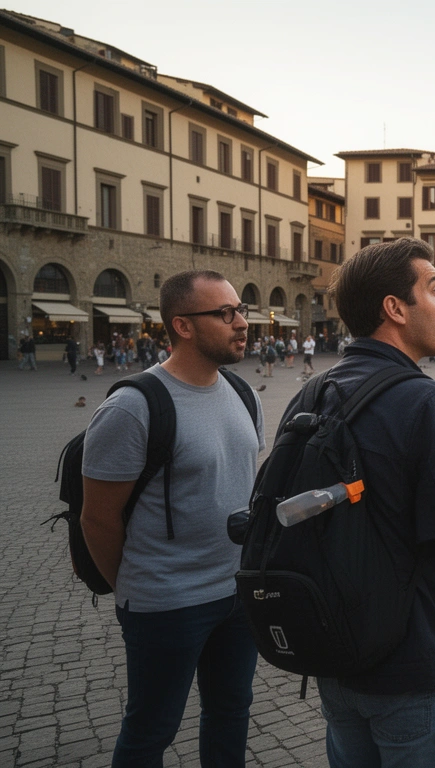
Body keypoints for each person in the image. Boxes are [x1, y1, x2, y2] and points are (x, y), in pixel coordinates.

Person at [287, 239, 435, 767]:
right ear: (395, 309)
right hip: (414, 660)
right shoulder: (433, 402)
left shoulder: (312, 393)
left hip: (337, 653)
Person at [81, 270, 265, 767]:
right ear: (183, 326)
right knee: (150, 731)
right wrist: (137, 585)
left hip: (236, 595)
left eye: (240, 310)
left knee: (231, 712)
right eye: (225, 313)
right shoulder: (133, 407)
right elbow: (97, 519)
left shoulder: (244, 394)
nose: (241, 322)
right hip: (166, 603)